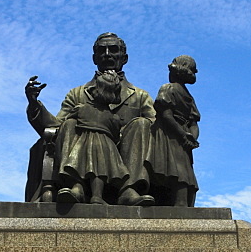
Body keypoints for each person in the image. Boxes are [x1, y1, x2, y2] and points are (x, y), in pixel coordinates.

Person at [25, 33, 156, 205]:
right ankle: (76, 186)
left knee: (143, 124)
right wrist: (34, 104)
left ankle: (127, 190)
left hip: (126, 151)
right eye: (102, 50)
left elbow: (157, 129)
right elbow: (57, 126)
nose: (107, 54)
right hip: (85, 153)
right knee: (69, 124)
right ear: (94, 58)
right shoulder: (77, 94)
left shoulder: (139, 96)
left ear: (124, 58)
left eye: (113, 50)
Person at [58, 69, 129, 203]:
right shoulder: (114, 117)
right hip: (107, 146)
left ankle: (80, 188)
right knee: (99, 169)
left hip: (84, 143)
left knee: (84, 165)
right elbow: (115, 134)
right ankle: (95, 195)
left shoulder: (81, 108)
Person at [148, 54, 200, 207]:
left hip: (176, 135)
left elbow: (193, 122)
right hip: (170, 134)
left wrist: (190, 137)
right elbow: (166, 114)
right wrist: (186, 135)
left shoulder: (173, 90)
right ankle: (179, 202)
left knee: (181, 169)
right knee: (177, 169)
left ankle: (182, 202)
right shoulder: (171, 90)